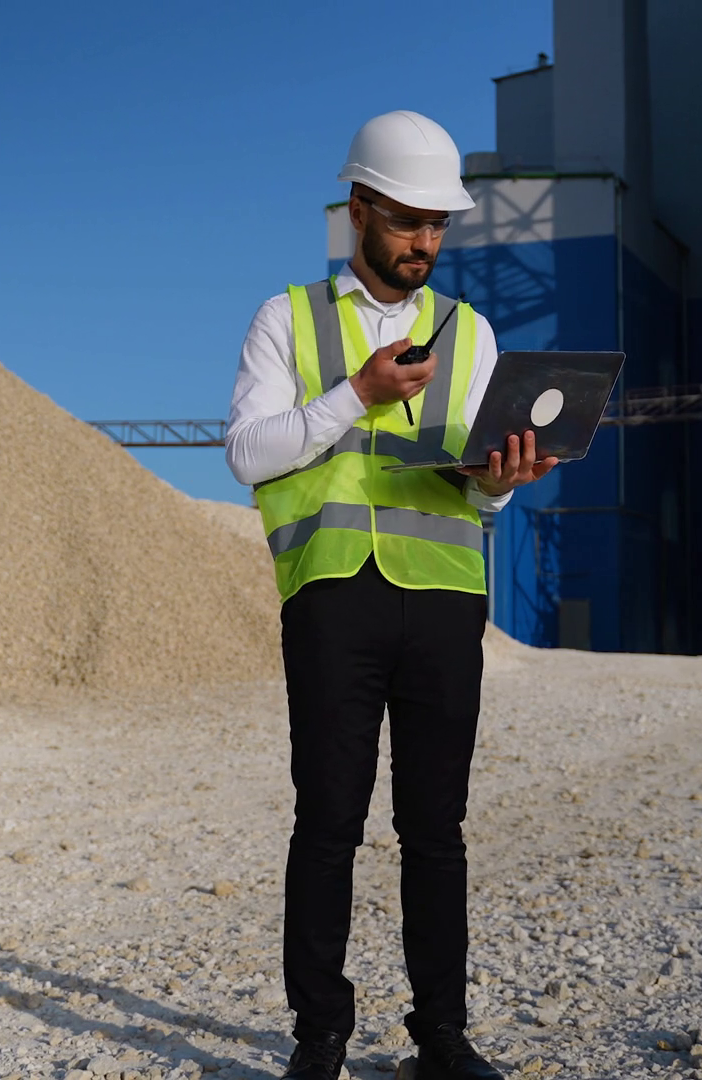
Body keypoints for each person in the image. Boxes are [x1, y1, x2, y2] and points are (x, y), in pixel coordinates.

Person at [225, 110, 559, 1080]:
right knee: (329, 820)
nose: (424, 241)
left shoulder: (472, 332)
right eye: (408, 220)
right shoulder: (287, 318)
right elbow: (247, 453)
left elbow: (480, 490)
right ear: (360, 210)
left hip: (445, 598)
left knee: (436, 828)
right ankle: (319, 1038)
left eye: (437, 224)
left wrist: (505, 479)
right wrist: (356, 397)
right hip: (333, 596)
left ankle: (442, 1038)